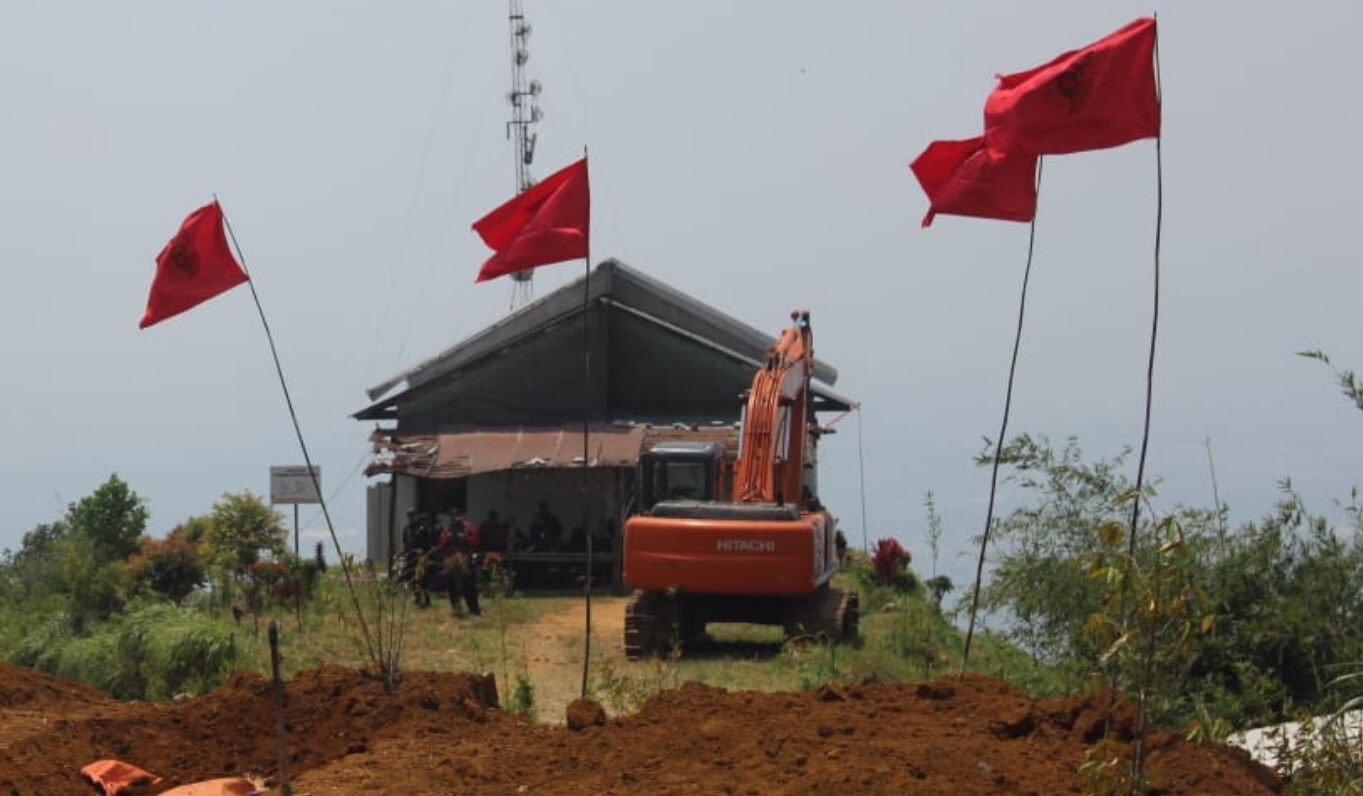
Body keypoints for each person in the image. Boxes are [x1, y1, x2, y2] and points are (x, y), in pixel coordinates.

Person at [439, 507, 481, 616]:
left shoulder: (468, 527)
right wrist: (448, 538)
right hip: (451, 559)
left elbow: (476, 540)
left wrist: (465, 538)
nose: (456, 518)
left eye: (457, 515)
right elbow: (442, 543)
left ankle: (474, 609)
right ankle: (456, 608)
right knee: (452, 585)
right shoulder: (447, 528)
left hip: (465, 558)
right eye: (453, 516)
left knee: (469, 585)